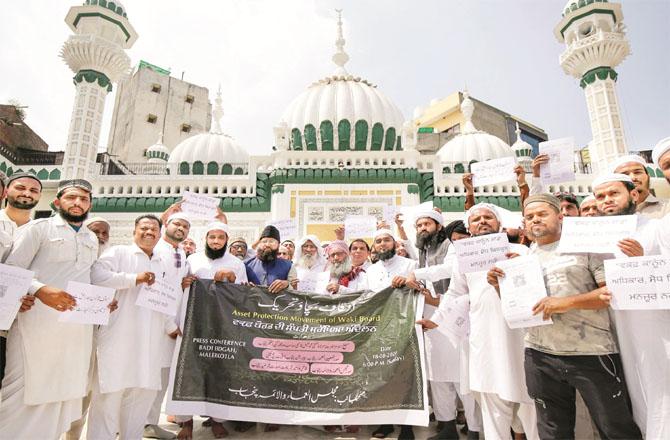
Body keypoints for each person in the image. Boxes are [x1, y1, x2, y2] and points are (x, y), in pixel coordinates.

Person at [487, 194, 642, 439]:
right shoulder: (523, 259)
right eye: (529, 217)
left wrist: (565, 303)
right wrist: (499, 285)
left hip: (591, 353)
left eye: (542, 214)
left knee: (614, 427)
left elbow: (611, 292)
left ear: (560, 216)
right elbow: (521, 310)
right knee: (552, 430)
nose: (535, 220)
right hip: (540, 354)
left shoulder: (587, 249)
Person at [418, 203, 538, 440]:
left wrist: (517, 268)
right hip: (483, 341)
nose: (482, 221)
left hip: (520, 340)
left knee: (529, 408)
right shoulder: (466, 259)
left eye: (488, 217)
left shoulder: (521, 252)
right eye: (476, 219)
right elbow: (455, 293)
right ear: (470, 228)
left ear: (499, 224)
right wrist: (438, 320)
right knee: (492, 407)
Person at [0, 179, 102, 439]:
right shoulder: (38, 229)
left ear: (90, 204)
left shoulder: (91, 237)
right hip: (34, 325)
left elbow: (90, 276)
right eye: (72, 197)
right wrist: (39, 289)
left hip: (74, 332)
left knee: (62, 392)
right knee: (23, 391)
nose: (77, 203)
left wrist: (103, 300)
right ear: (57, 202)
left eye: (84, 199)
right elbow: (11, 271)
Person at [592, 173, 669, 438]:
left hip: (656, 332)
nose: (607, 201)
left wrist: (641, 261)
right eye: (600, 197)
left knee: (660, 393)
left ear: (633, 195)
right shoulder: (591, 239)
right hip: (613, 334)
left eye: (614, 193)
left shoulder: (656, 229)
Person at [87, 214, 174, 440]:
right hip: (119, 336)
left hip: (150, 341)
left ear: (159, 234)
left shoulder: (161, 262)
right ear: (134, 231)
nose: (149, 232)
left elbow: (164, 300)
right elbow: (97, 276)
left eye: (154, 229)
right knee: (108, 397)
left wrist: (170, 325)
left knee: (141, 397)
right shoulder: (118, 253)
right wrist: (134, 278)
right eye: (144, 228)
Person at [407, 211, 481, 440]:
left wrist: (415, 274)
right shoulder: (421, 251)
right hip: (429, 315)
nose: (422, 228)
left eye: (427, 223)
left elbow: (449, 270)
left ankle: (476, 430)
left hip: (453, 313)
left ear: (438, 226)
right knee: (437, 376)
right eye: (419, 224)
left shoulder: (452, 246)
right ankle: (447, 427)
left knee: (462, 378)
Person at [177, 221, 250, 439]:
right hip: (194, 323)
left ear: (226, 240)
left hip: (222, 324)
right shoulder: (193, 260)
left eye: (220, 237)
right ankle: (185, 422)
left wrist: (231, 280)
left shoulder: (237, 263)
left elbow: (243, 294)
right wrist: (185, 283)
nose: (216, 241)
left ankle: (218, 420)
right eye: (212, 237)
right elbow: (181, 286)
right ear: (206, 239)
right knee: (189, 370)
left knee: (219, 370)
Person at [144, 212, 193, 440]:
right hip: (157, 323)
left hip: (173, 324)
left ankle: (149, 423)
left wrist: (185, 284)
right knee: (147, 376)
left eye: (185, 226)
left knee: (162, 378)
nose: (181, 228)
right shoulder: (156, 250)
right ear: (167, 224)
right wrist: (168, 324)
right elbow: (155, 289)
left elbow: (175, 287)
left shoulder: (181, 253)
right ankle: (139, 421)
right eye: (177, 224)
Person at [366, 229, 418, 440]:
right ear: (375, 247)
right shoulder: (371, 270)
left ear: (394, 244)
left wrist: (406, 283)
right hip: (381, 328)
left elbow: (419, 289)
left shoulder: (409, 265)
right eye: (378, 241)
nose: (382, 244)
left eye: (386, 240)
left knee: (406, 375)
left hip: (405, 326)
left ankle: (407, 426)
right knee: (383, 374)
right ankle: (386, 422)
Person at [0, 172, 43, 392]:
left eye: (33, 190)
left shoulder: (40, 232)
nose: (26, 193)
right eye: (20, 188)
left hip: (21, 325)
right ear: (6, 191)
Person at [609, 154, 670, 218]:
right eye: (625, 174)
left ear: (648, 176)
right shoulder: (610, 216)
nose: (633, 177)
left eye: (638, 172)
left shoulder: (667, 207)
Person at [245, 225, 296, 294]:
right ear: (259, 244)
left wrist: (286, 284)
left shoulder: (289, 266)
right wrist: (245, 287)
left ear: (278, 244)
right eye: (264, 241)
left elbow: (295, 292)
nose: (267, 244)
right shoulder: (246, 264)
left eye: (271, 241)